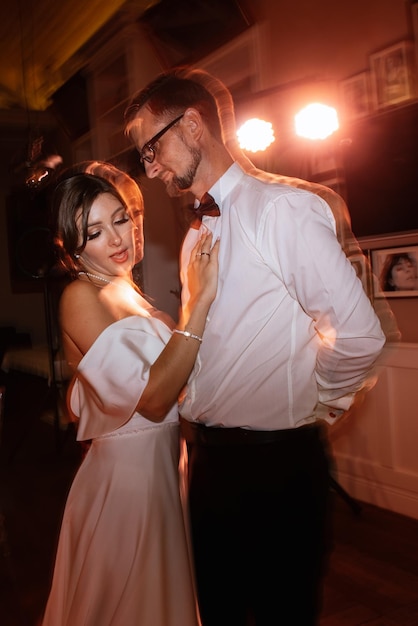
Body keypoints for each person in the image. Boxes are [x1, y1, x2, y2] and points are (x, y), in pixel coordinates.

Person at [124, 69, 386, 626]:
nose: (150, 168)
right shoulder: (197, 232)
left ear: (193, 126)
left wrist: (319, 398)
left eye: (152, 147)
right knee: (217, 611)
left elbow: (359, 335)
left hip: (276, 469)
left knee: (279, 613)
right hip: (211, 463)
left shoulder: (279, 210)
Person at [41, 163, 219, 626]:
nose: (117, 238)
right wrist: (197, 303)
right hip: (127, 483)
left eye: (120, 219)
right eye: (95, 232)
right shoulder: (81, 295)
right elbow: (155, 398)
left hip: (163, 468)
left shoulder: (129, 293)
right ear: (73, 247)